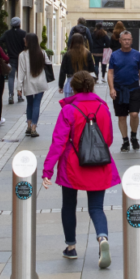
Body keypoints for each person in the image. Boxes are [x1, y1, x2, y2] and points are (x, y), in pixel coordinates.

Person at [41, 71, 120, 268]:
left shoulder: (69, 110)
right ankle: (102, 238)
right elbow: (108, 139)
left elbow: (58, 142)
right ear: (92, 86)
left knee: (69, 205)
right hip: (99, 163)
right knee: (96, 208)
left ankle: (71, 247)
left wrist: (47, 170)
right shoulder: (103, 107)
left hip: (73, 165)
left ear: (73, 88)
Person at [106, 29, 140, 152]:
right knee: (122, 117)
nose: (127, 42)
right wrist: (112, 88)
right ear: (120, 41)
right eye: (124, 39)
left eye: (129, 39)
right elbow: (110, 72)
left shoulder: (137, 55)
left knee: (134, 114)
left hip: (134, 88)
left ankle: (133, 135)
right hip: (119, 89)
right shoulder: (114, 55)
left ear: (132, 41)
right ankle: (125, 140)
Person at [15, 31, 51, 138]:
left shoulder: (23, 55)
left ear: (28, 41)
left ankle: (29, 126)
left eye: (25, 39)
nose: (24, 41)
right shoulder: (42, 52)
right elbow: (49, 64)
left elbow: (21, 72)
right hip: (40, 82)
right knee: (37, 104)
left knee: (30, 104)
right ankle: (34, 127)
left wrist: (19, 87)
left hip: (28, 83)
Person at [0, 18, 27, 107]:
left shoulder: (7, 34)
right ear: (19, 24)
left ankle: (11, 95)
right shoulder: (23, 33)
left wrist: (4, 52)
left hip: (11, 58)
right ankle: (19, 95)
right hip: (21, 58)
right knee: (20, 77)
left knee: (11, 77)